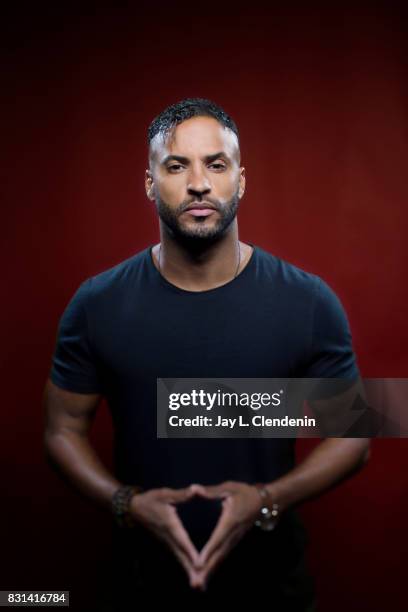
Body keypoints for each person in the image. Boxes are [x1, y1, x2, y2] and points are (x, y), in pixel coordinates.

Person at [43, 98, 370, 610]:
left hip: (271, 589)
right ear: (150, 184)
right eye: (177, 166)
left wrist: (265, 500)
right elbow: (61, 429)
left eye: (216, 165)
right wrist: (127, 504)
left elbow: (355, 435)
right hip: (141, 587)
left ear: (240, 179)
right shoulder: (97, 304)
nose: (199, 183)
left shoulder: (307, 301)